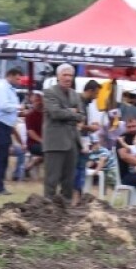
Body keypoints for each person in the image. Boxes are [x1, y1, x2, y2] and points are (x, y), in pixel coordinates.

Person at [42, 64, 84, 200]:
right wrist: (72, 112)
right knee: (51, 180)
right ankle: (47, 209)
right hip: (55, 142)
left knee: (69, 180)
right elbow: (55, 113)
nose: (68, 78)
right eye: (65, 75)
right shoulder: (49, 92)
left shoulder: (75, 95)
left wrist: (68, 113)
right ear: (58, 77)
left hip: (72, 142)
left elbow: (82, 115)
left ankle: (66, 210)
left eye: (70, 75)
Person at [0, 67, 23, 195]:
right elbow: (4, 106)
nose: (19, 81)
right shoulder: (2, 88)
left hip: (5, 126)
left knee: (3, 158)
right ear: (11, 76)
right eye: (18, 78)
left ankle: (1, 186)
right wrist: (18, 107)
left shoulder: (10, 89)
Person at [22, 91, 44, 178]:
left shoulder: (46, 115)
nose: (39, 102)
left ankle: (31, 164)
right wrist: (41, 141)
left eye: (40, 100)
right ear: (32, 102)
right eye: (36, 101)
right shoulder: (30, 115)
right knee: (48, 150)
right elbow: (31, 133)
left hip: (45, 142)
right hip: (33, 144)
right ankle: (30, 164)